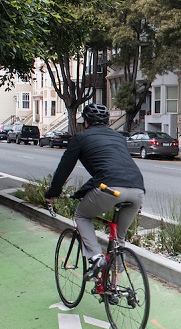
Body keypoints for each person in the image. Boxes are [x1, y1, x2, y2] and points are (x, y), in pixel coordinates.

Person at [44, 103, 145, 280]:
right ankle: (114, 286)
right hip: (137, 189)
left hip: (110, 189)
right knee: (118, 241)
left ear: (86, 123)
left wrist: (52, 193)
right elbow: (113, 167)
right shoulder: (119, 138)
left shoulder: (81, 137)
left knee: (82, 216)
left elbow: (64, 169)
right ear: (107, 123)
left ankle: (96, 257)